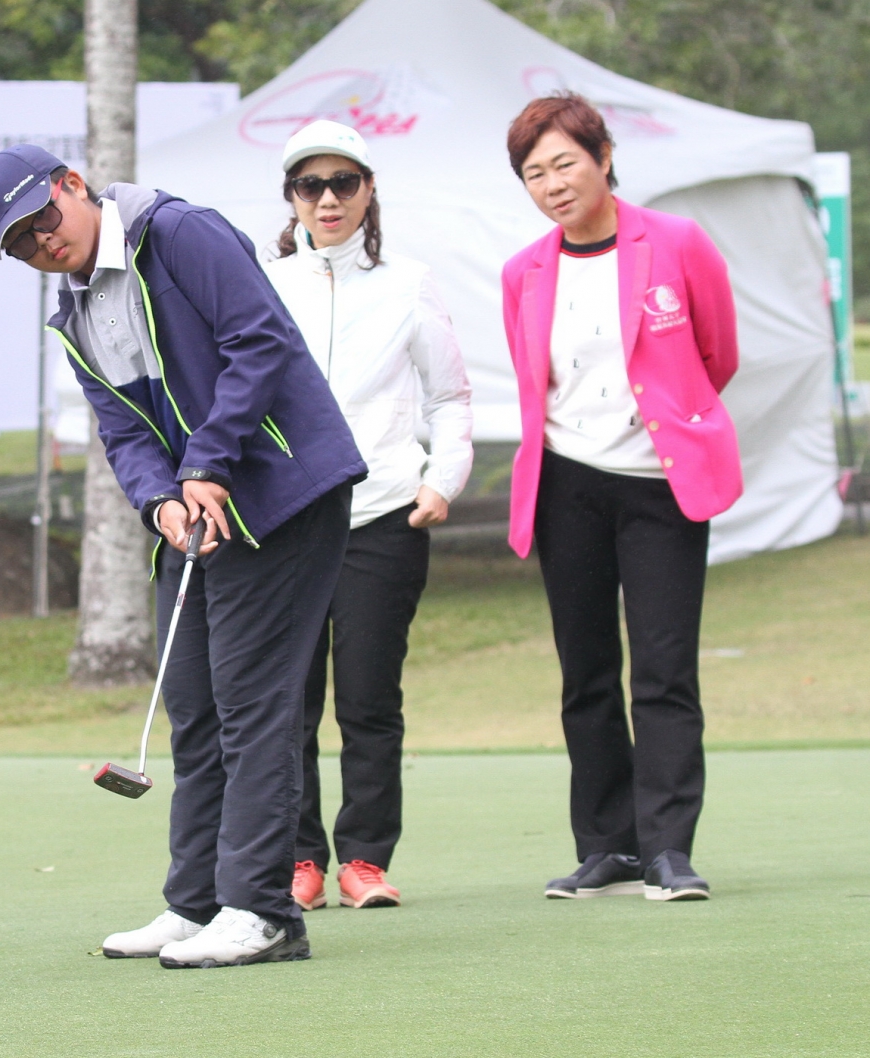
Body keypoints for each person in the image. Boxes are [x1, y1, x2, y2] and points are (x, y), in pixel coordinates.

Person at [0, 145, 367, 968]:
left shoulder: (181, 233)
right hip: (195, 512)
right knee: (194, 700)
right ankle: (195, 903)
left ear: (73, 185)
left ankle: (261, 911)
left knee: (253, 702)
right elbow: (122, 429)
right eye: (20, 243)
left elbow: (258, 343)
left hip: (283, 491)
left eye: (44, 217)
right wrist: (161, 499)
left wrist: (207, 464)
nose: (43, 241)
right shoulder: (74, 314)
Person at [502, 93, 741, 901]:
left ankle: (669, 849)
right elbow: (537, 384)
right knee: (587, 673)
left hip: (660, 485)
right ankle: (609, 846)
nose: (553, 185)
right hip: (567, 485)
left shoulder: (676, 242)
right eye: (534, 174)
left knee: (664, 671)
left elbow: (717, 353)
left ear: (603, 157)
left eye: (565, 163)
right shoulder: (523, 271)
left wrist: (670, 422)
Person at [263, 121, 473, 913]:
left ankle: (364, 860)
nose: (327, 200)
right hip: (285, 519)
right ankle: (297, 859)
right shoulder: (266, 282)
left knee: (368, 697)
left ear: (368, 189)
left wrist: (442, 480)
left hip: (384, 511)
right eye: (310, 186)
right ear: (290, 198)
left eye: (343, 183)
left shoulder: (409, 282)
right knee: (286, 700)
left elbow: (451, 398)